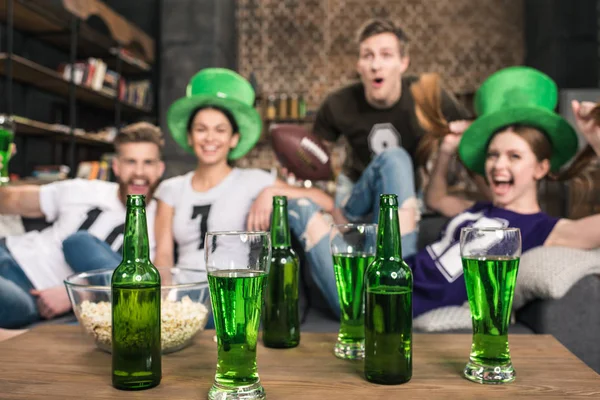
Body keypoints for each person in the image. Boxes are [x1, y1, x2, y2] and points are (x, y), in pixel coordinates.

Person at [286, 66, 600, 318]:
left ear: (541, 169)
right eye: (492, 155)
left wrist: (596, 139)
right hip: (394, 265)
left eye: (514, 156)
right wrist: (448, 150)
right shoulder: (480, 209)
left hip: (383, 302)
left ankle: (340, 220)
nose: (497, 166)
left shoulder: (543, 228)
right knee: (395, 158)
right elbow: (435, 198)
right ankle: (346, 219)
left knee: (297, 207)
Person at [312, 18, 473, 256]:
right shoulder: (338, 103)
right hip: (356, 191)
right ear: (359, 65)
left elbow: (471, 133)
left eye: (386, 55)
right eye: (368, 56)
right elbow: (314, 156)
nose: (376, 65)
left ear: (403, 62)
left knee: (396, 161)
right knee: (394, 159)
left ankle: (386, 271)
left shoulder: (426, 94)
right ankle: (392, 274)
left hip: (406, 192)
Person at [153, 68, 333, 275]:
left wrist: (272, 192)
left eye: (220, 130)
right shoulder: (171, 189)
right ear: (190, 137)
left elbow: (324, 200)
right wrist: (167, 300)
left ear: (234, 139)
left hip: (236, 291)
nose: (210, 138)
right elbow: (163, 257)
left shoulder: (254, 180)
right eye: (201, 129)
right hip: (186, 295)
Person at [0, 122, 165, 328]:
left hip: (31, 296)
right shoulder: (82, 189)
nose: (139, 171)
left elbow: (152, 288)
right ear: (116, 167)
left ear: (160, 169)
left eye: (148, 162)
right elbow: (7, 201)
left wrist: (77, 294)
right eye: (131, 161)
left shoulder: (162, 219)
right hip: (9, 253)